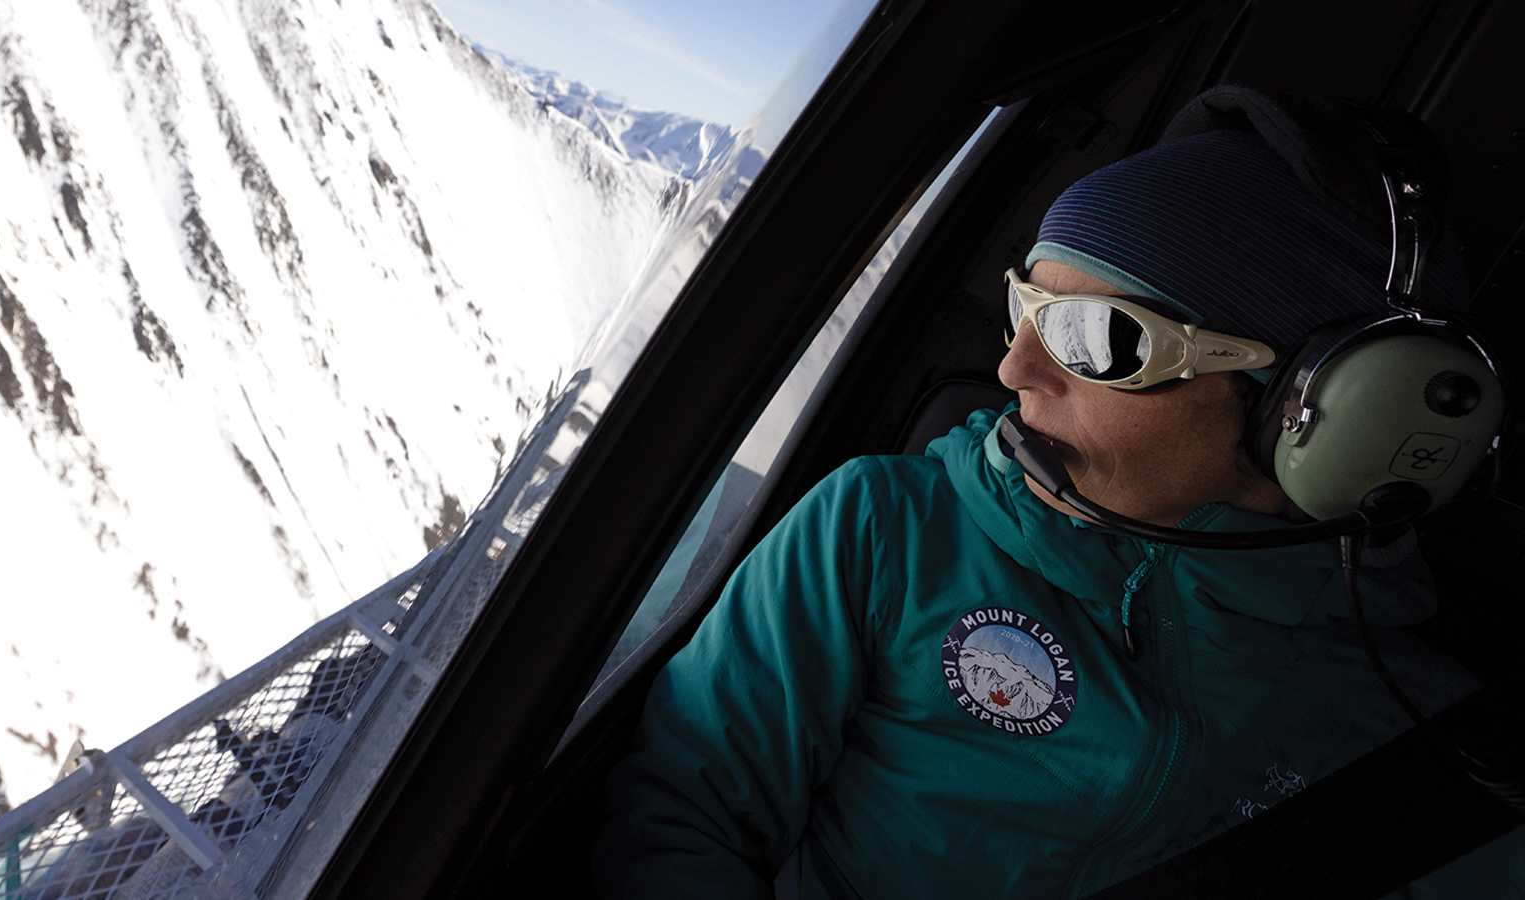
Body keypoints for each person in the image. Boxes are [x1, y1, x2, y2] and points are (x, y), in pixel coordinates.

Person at [592, 95, 1523, 898]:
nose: (1013, 366)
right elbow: (684, 815)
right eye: (1023, 309)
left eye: (1097, 337)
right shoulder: (882, 528)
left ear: (1312, 410)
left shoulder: (1428, 755)